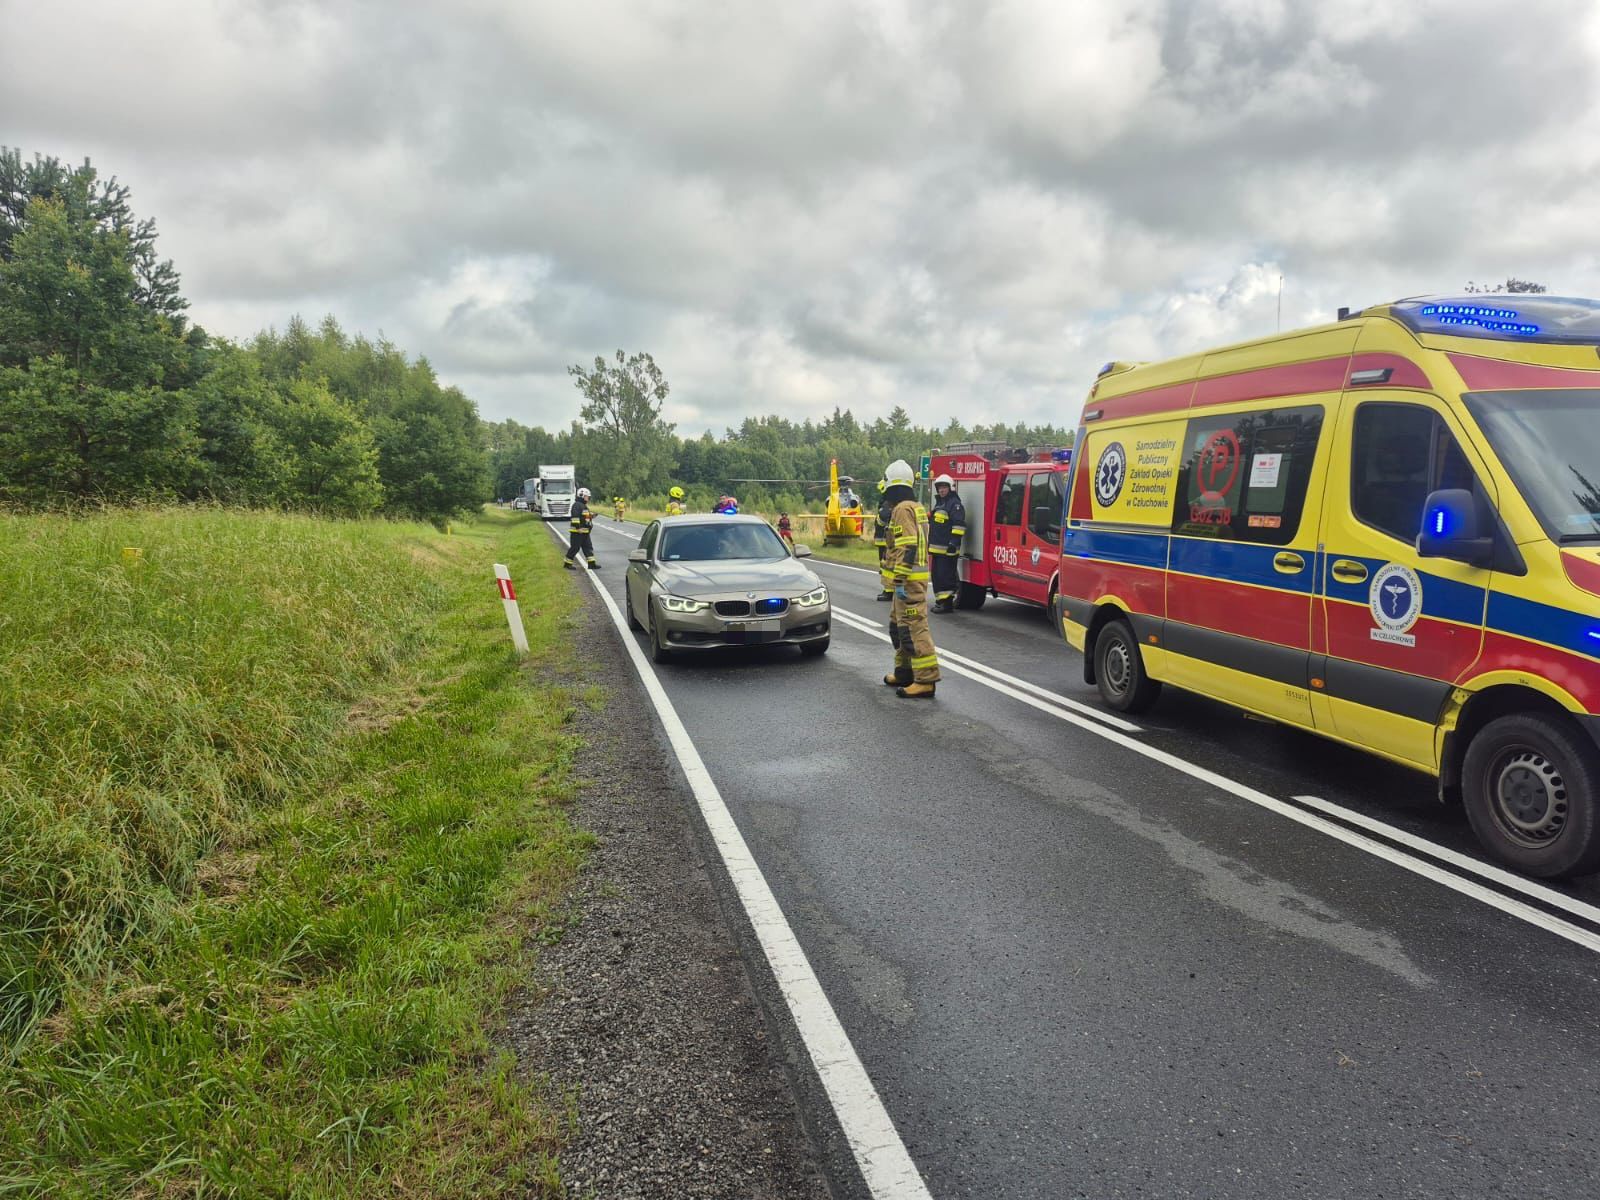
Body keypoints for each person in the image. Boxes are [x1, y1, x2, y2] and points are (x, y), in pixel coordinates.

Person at [880, 459, 939, 699]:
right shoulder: (915, 506)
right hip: (904, 582)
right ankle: (904, 673)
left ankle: (926, 680)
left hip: (908, 581)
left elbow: (908, 545)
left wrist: (901, 578)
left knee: (914, 628)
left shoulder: (902, 509)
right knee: (900, 627)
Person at [928, 472, 967, 612]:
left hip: (948, 549)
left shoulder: (955, 505)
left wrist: (953, 544)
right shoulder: (940, 504)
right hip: (937, 549)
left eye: (944, 487)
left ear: (950, 488)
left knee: (946, 576)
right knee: (937, 576)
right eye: (939, 488)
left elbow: (959, 526)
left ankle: (947, 604)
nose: (941, 490)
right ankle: (940, 601)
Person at [564, 487, 599, 570]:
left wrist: (591, 516)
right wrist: (578, 528)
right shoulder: (577, 505)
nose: (588, 498)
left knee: (588, 548)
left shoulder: (583, 506)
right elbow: (575, 517)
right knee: (575, 548)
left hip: (585, 532)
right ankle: (567, 564)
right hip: (577, 532)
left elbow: (584, 517)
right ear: (581, 496)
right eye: (587, 496)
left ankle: (591, 564)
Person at [872, 479, 894, 601]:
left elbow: (883, 519)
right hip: (883, 540)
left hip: (886, 541)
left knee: (887, 566)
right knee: (885, 566)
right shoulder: (886, 502)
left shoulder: (886, 504)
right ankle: (888, 590)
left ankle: (888, 591)